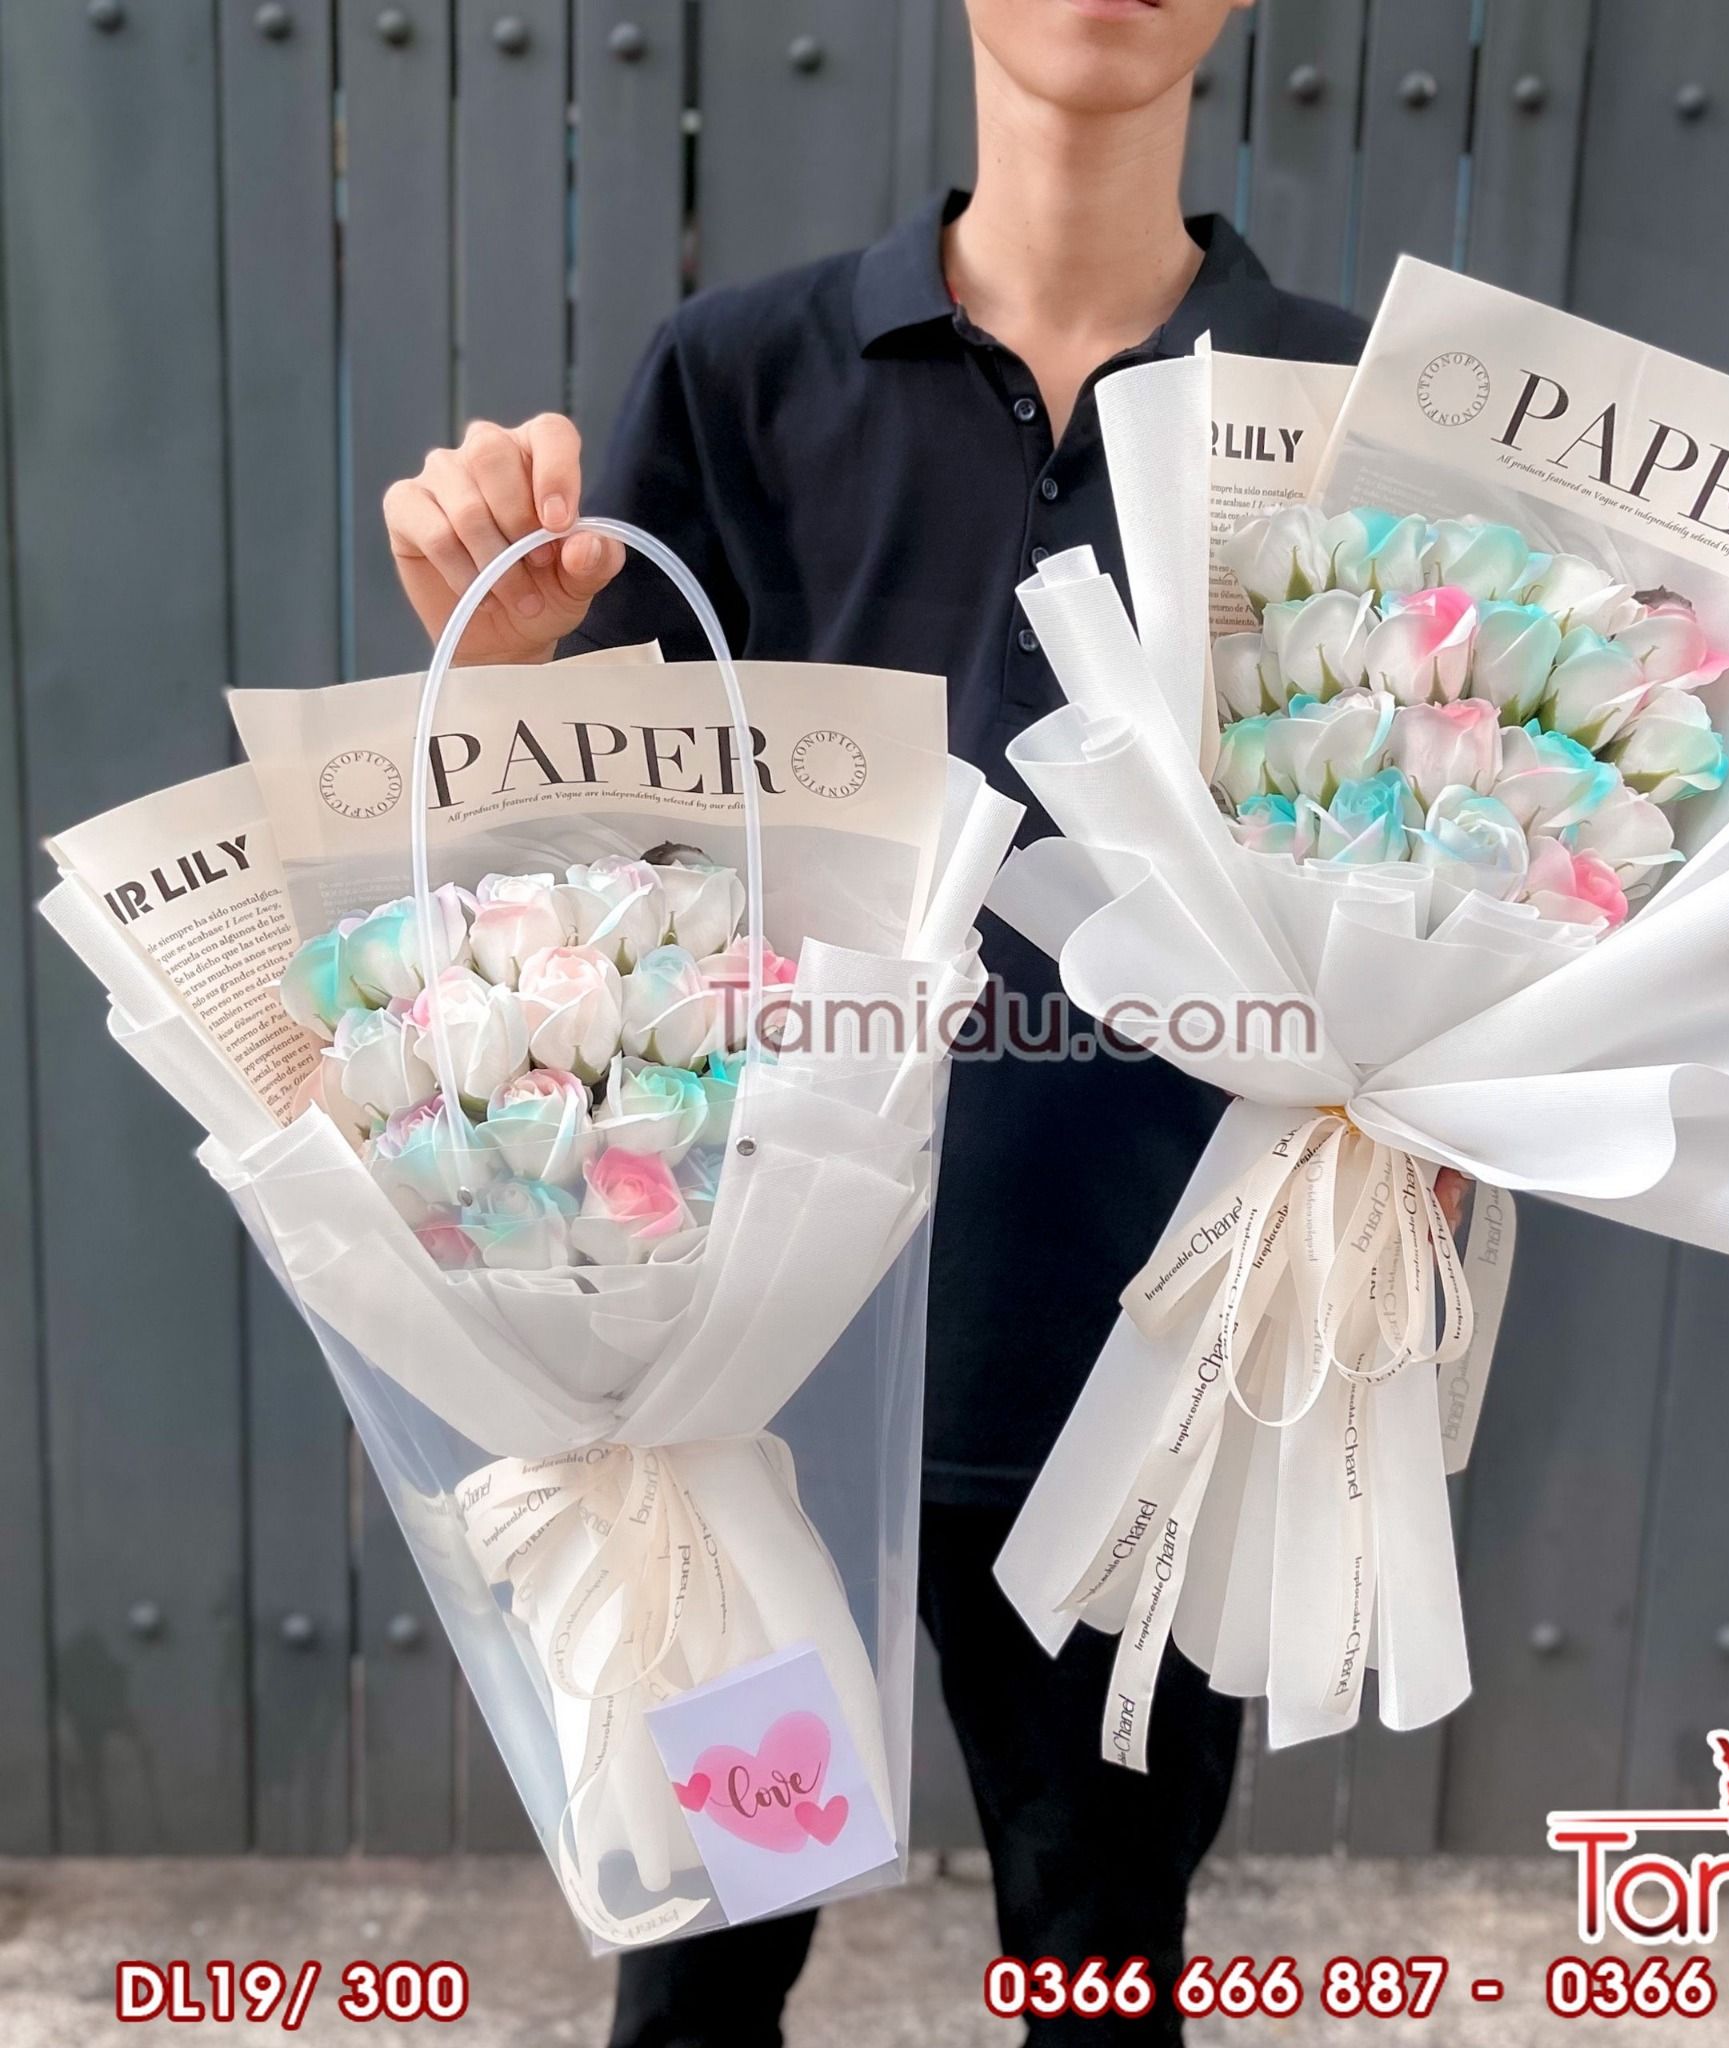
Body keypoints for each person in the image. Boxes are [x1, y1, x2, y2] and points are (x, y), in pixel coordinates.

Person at [386, 4, 1459, 2039]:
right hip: (758, 1386)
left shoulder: (1345, 406)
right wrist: (514, 666)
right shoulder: (742, 376)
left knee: (1101, 1964)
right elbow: (612, 884)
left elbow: (1435, 874)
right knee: (703, 1963)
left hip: (1152, 1374)